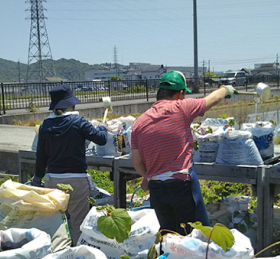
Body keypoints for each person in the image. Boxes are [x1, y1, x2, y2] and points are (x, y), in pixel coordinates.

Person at [131, 70, 236, 234]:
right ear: (180, 93)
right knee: (195, 234)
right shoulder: (181, 107)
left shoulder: (139, 123)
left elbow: (137, 162)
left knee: (168, 236)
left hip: (157, 189)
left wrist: (148, 176)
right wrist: (226, 89)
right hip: (182, 186)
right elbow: (213, 98)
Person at [32, 84, 108, 245]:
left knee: (56, 223)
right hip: (76, 180)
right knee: (78, 223)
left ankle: (57, 253)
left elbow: (41, 156)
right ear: (70, 104)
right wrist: (102, 128)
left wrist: (37, 178)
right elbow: (101, 139)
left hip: (52, 180)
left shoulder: (45, 125)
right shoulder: (79, 122)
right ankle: (76, 257)